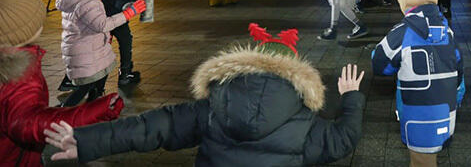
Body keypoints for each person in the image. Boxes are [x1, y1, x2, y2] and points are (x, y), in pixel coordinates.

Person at [44, 26, 367, 166]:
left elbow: (151, 127)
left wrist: (88, 141)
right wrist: (350, 98)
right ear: (297, 74)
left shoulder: (212, 107)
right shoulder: (304, 120)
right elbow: (342, 140)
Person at [0, 0, 124, 167]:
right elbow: (30, 123)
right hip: (15, 159)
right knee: (87, 83)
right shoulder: (18, 76)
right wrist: (96, 111)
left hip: (17, 155)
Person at [372, 0, 465, 167]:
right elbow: (459, 70)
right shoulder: (447, 31)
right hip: (447, 112)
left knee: (421, 161)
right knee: (431, 156)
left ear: (404, 2)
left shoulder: (402, 32)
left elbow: (379, 63)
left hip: (418, 114)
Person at [56, 0, 146, 107]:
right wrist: (128, 14)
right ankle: (63, 112)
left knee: (99, 78)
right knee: (85, 86)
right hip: (87, 51)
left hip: (86, 47)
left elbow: (89, 25)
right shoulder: (87, 2)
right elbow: (102, 25)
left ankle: (95, 103)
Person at [100, 0, 156, 86]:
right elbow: (120, 1)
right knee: (125, 41)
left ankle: (125, 72)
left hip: (112, 13)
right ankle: (125, 74)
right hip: (113, 15)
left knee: (119, 41)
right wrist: (129, 10)